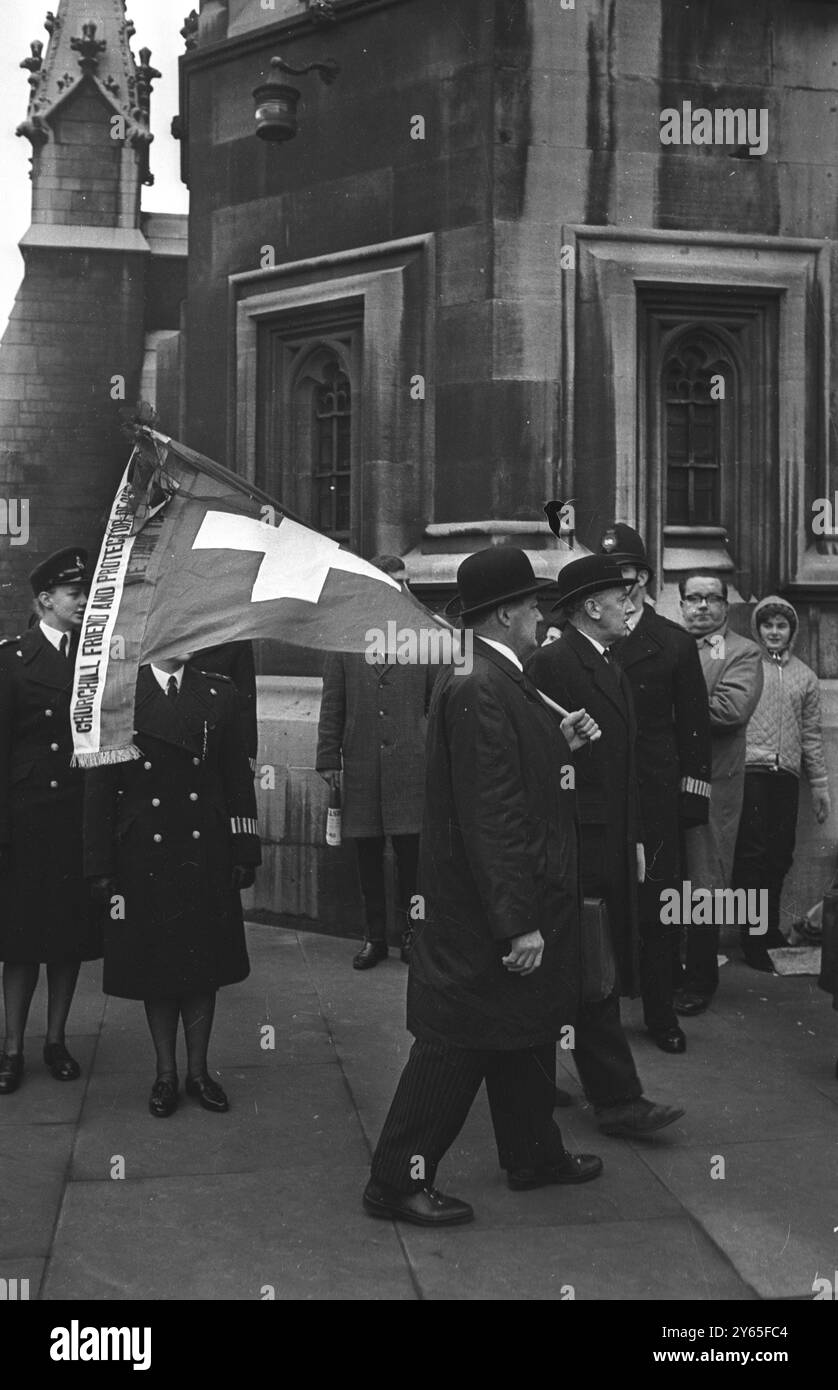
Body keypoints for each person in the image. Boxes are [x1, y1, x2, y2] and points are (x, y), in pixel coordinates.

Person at [363, 547, 603, 1227]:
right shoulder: (479, 685)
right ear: (505, 613)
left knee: (522, 1027)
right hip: (484, 912)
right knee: (457, 1040)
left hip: (504, 900)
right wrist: (516, 922)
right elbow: (490, 815)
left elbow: (511, 774)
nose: (542, 616)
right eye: (533, 605)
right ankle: (395, 1179)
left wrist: (562, 742)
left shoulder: (497, 676)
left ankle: (534, 1155)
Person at [527, 555, 685, 1137]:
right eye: (621, 596)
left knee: (579, 969)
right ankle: (617, 1098)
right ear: (591, 608)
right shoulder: (552, 663)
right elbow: (538, 760)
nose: (631, 603)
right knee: (591, 970)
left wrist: (636, 838)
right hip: (574, 847)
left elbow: (627, 769)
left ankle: (534, 1076)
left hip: (610, 843)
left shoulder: (606, 664)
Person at [84, 657, 261, 1118]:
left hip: (206, 850)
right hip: (144, 853)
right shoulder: (120, 693)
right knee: (156, 968)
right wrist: (99, 865)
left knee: (204, 966)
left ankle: (198, 1073)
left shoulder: (219, 692)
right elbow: (100, 787)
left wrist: (244, 847)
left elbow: (236, 777)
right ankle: (165, 1074)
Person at [600, 525, 712, 1053]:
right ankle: (598, 1013)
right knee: (601, 905)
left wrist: (692, 797)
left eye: (626, 575)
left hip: (657, 796)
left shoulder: (673, 642)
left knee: (662, 906)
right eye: (611, 579)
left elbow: (694, 727)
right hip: (602, 798)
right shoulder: (589, 640)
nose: (619, 589)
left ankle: (662, 1014)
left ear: (643, 578)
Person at [0, 548, 102, 1095]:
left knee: (68, 940)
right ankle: (12, 1048)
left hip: (74, 822)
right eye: (74, 594)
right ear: (45, 601)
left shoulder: (93, 658)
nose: (84, 602)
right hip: (27, 820)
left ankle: (55, 1040)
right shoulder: (11, 659)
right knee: (19, 944)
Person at [316, 556, 434, 970]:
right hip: (363, 763)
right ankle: (374, 937)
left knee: (413, 859)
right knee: (366, 859)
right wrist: (328, 757)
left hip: (411, 767)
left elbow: (438, 702)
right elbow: (333, 701)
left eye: (402, 583)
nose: (396, 590)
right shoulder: (346, 635)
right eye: (388, 582)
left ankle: (413, 935)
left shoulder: (425, 634)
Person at [675, 573, 764, 1015]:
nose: (703, 606)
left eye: (713, 599)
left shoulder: (742, 652)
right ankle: (667, 973)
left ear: (727, 607)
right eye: (695, 598)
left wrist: (664, 708)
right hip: (664, 783)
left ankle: (699, 980)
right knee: (666, 877)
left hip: (713, 786)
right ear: (681, 604)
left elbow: (731, 709)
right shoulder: (671, 644)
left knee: (704, 883)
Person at [732, 595, 830, 971]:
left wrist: (820, 785)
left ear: (792, 631)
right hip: (750, 772)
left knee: (779, 853)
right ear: (758, 629)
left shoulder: (804, 676)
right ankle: (752, 937)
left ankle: (768, 929)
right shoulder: (746, 664)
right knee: (752, 855)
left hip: (785, 776)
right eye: (768, 625)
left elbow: (811, 734)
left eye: (781, 626)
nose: (774, 632)